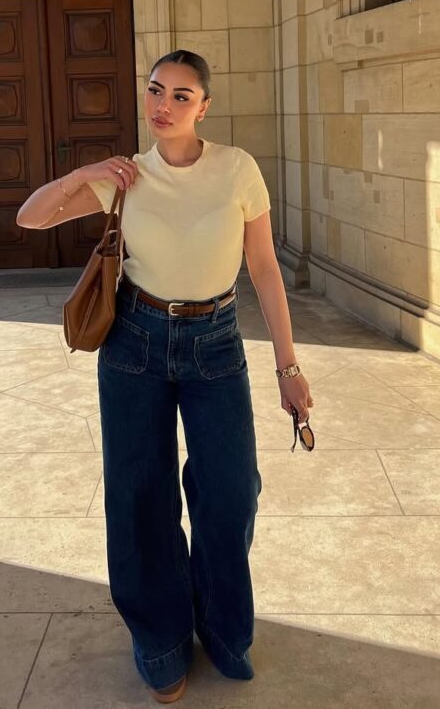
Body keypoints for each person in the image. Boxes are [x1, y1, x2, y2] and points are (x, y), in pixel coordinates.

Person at [16, 49, 313, 703]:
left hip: (216, 342)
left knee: (231, 491)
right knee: (139, 496)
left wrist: (287, 366)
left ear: (203, 107)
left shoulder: (237, 169)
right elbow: (30, 216)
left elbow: (263, 268)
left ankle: (224, 629)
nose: (165, 105)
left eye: (182, 95)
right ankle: (160, 642)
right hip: (136, 341)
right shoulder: (126, 176)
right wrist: (88, 171)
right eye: (156, 90)